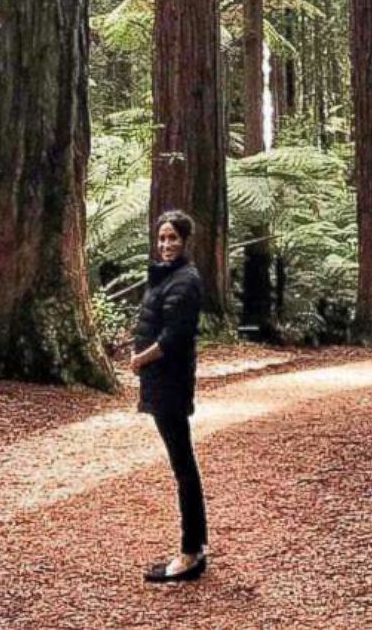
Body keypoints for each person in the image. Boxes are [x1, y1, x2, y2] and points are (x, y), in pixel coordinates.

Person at [130, 210, 209, 583]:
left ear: (185, 241)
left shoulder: (185, 280)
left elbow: (174, 336)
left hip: (170, 384)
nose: (165, 245)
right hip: (161, 382)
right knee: (183, 464)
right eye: (161, 239)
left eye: (172, 239)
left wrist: (139, 359)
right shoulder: (166, 276)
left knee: (183, 467)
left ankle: (190, 553)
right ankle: (194, 548)